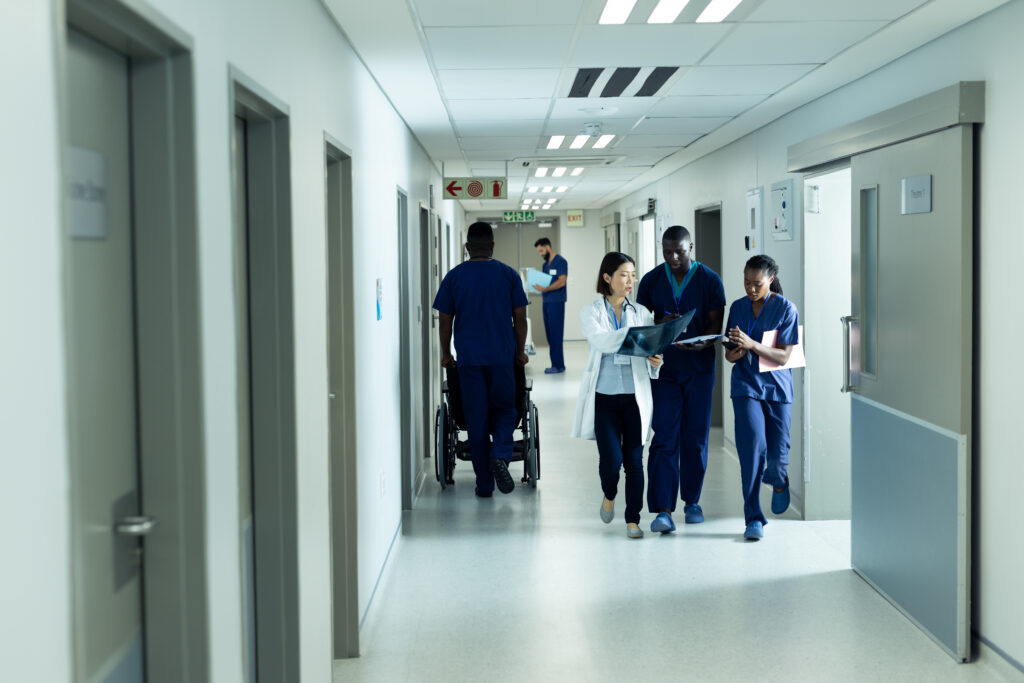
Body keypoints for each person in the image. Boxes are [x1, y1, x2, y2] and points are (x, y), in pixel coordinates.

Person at [636, 225, 725, 534]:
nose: (673, 257)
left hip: (699, 369)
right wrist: (660, 323)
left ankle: (692, 501)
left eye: (679, 251)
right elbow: (643, 325)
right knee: (663, 437)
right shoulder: (649, 281)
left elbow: (715, 324)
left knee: (695, 438)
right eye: (667, 251)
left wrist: (704, 342)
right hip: (664, 370)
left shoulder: (710, 280)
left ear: (692, 248)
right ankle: (663, 509)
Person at [433, 222, 529, 497]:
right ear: (493, 246)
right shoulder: (509, 275)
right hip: (502, 357)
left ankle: (484, 484)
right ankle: (500, 454)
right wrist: (520, 351)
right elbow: (520, 319)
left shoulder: (454, 277)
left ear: (467, 247)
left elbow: (444, 323)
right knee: (505, 410)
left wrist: (445, 353)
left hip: (469, 359)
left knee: (476, 418)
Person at [571, 252, 663, 539]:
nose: (630, 281)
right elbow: (600, 340)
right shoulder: (590, 312)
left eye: (633, 274)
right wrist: (633, 339)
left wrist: (655, 361)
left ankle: (633, 520)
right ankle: (609, 493)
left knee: (635, 462)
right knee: (611, 463)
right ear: (607, 277)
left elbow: (650, 347)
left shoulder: (643, 313)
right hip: (605, 397)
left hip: (634, 399)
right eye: (624, 274)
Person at [724, 254, 800, 541]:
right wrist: (737, 353)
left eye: (757, 283)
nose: (751, 289)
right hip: (745, 386)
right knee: (751, 450)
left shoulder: (785, 309)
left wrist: (752, 344)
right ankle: (753, 517)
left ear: (770, 280)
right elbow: (730, 353)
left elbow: (784, 356)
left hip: (777, 389)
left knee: (777, 460)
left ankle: (780, 482)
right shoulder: (738, 308)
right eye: (746, 282)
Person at [532, 237, 568, 374]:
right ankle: (556, 364)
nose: (540, 254)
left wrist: (544, 289)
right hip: (546, 302)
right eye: (539, 252)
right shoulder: (545, 264)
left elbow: (561, 282)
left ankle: (558, 366)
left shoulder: (560, 261)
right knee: (549, 335)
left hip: (556, 302)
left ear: (548, 246)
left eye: (541, 250)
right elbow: (547, 282)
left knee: (555, 334)